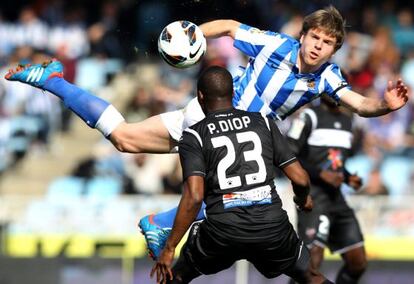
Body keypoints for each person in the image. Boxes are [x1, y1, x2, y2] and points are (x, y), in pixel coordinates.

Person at [5, 6, 409, 259]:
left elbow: (360, 104)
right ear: (303, 35)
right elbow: (232, 27)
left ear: (335, 50)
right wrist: (193, 34)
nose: (319, 47)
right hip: (216, 120)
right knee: (235, 194)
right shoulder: (274, 45)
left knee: (124, 138)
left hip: (238, 138)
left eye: (328, 43)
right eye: (315, 38)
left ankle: (54, 80)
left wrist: (384, 106)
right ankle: (161, 221)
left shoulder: (327, 78)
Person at [150, 65, 330, 284]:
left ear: (200, 96)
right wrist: (303, 199)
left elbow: (195, 196)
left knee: (175, 277)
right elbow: (300, 178)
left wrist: (169, 247)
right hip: (271, 228)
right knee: (310, 276)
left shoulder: (194, 136)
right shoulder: (263, 122)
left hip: (222, 232)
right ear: (233, 93)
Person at [286, 95, 367, 284]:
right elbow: (289, 153)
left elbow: (334, 162)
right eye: (329, 88)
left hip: (337, 199)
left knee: (358, 262)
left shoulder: (348, 121)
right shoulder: (308, 117)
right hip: (313, 198)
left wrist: (347, 177)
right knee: (311, 263)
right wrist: (320, 174)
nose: (334, 93)